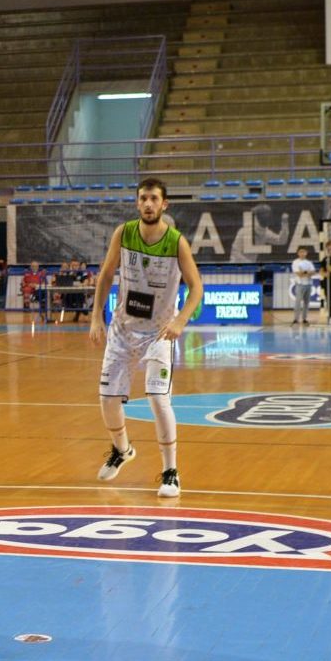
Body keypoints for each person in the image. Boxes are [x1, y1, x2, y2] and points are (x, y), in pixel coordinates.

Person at [87, 178, 204, 499]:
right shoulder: (123, 233)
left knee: (157, 398)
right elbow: (107, 274)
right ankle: (122, 449)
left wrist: (181, 320)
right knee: (107, 400)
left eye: (154, 199)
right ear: (137, 203)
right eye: (143, 199)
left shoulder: (177, 242)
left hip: (159, 333)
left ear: (164, 204)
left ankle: (171, 472)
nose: (148, 204)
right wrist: (96, 315)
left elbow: (197, 288)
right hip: (123, 329)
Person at [289, 247, 316, 325]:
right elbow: (299, 274)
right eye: (300, 252)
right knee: (298, 302)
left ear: (306, 253)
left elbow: (313, 272)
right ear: (298, 253)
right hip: (300, 284)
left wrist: (304, 272)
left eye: (304, 252)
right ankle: (296, 319)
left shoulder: (309, 262)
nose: (302, 253)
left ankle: (304, 319)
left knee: (306, 302)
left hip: (309, 284)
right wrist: (308, 272)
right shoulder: (295, 262)